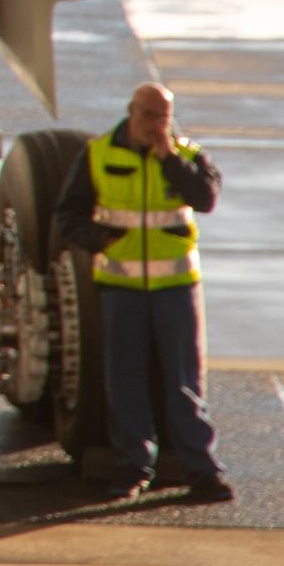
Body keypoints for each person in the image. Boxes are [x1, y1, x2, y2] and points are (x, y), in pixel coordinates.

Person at [53, 81, 230, 503]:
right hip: (121, 288)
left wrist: (168, 159)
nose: (156, 125)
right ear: (131, 112)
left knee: (184, 384)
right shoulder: (98, 155)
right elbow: (68, 213)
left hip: (175, 288)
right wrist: (99, 240)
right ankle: (133, 466)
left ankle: (202, 470)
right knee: (125, 381)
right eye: (149, 116)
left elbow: (205, 199)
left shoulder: (188, 156)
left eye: (163, 118)